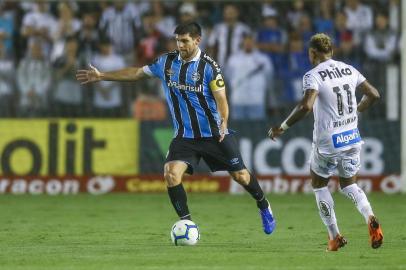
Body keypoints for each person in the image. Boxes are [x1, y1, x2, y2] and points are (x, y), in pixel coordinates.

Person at [76, 22, 276, 235]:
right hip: (185, 136)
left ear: (197, 40)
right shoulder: (166, 62)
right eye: (177, 40)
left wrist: (224, 120)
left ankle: (264, 205)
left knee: (241, 177)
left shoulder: (209, 67)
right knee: (171, 174)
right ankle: (187, 224)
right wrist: (102, 75)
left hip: (214, 134)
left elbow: (221, 99)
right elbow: (136, 73)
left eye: (185, 41)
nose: (180, 45)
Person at [268, 33, 383, 251]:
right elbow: (374, 94)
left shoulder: (313, 75)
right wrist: (356, 110)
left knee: (319, 186)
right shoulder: (349, 68)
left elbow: (305, 106)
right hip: (351, 137)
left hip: (328, 142)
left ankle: (335, 237)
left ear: (312, 53)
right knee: (350, 185)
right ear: (332, 51)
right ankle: (370, 216)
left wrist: (281, 127)